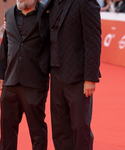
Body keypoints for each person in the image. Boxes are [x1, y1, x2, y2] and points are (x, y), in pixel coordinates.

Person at [44, 0, 101, 149]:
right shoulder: (50, 2)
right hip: (55, 73)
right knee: (59, 127)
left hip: (78, 76)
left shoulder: (85, 2)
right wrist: (13, 19)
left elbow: (93, 41)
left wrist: (90, 78)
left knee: (80, 127)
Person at [0, 0, 50, 149]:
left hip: (35, 81)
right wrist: (0, 73)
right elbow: (5, 44)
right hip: (10, 81)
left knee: (37, 131)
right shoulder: (10, 13)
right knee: (7, 130)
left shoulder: (47, 14)